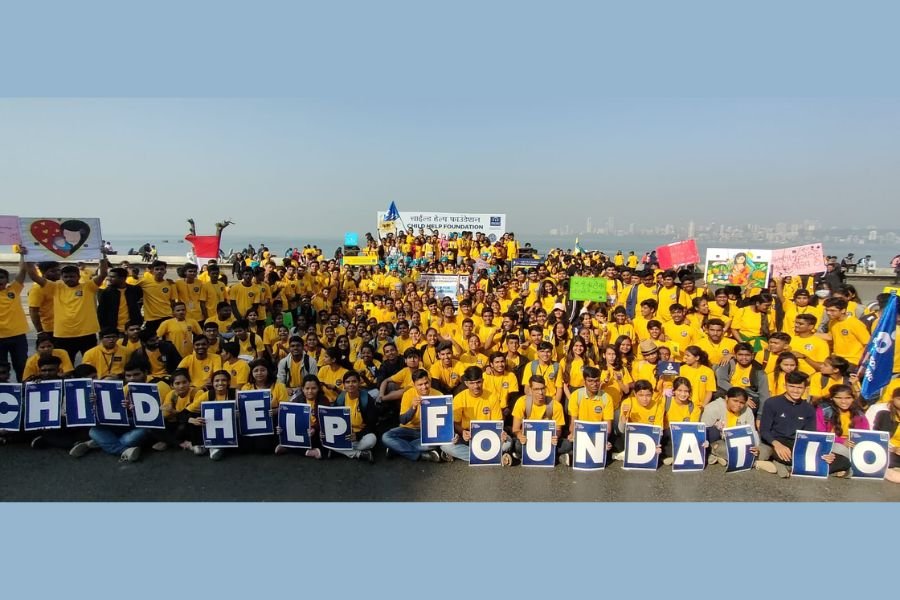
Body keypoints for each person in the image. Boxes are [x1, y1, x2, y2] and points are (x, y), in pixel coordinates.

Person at [756, 371, 842, 478]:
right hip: (774, 442)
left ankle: (782, 465)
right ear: (785, 386)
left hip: (796, 444)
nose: (795, 391)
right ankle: (781, 463)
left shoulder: (809, 408)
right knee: (763, 453)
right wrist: (777, 445)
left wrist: (823, 452)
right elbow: (764, 430)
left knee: (842, 461)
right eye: (791, 386)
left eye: (799, 387)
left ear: (805, 388)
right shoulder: (772, 403)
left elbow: (810, 435)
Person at [28, 255, 108, 362]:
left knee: (91, 363)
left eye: (72, 276)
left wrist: (102, 256)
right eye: (65, 277)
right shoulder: (55, 287)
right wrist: (26, 256)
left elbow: (103, 274)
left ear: (78, 277)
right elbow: (34, 276)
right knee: (65, 365)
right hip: (63, 335)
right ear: (62, 277)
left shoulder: (88, 287)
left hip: (87, 333)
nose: (69, 279)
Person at [440, 366, 512, 464]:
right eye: (472, 383)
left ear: (483, 381)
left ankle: (478, 455)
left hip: (488, 434)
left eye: (478, 382)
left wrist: (501, 432)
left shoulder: (492, 396)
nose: (476, 386)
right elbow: (456, 423)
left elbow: (498, 421)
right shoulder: (459, 398)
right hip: (468, 436)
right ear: (466, 383)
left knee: (508, 442)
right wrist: (463, 432)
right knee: (445, 446)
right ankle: (494, 456)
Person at [381, 369, 446, 462]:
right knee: (386, 437)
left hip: (428, 431)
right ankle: (422, 455)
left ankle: (397, 449)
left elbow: (444, 422)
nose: (424, 387)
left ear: (430, 381)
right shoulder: (408, 394)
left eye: (426, 383)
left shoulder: (439, 395)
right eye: (420, 384)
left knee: (436, 442)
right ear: (414, 384)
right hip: (408, 429)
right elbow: (403, 420)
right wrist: (413, 407)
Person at [561, 365, 614, 466]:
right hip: (580, 434)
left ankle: (572, 457)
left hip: (597, 435)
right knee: (567, 444)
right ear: (584, 381)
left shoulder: (606, 398)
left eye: (597, 381)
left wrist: (603, 440)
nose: (594, 384)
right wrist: (573, 435)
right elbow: (573, 424)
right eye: (590, 381)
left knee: (609, 448)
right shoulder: (576, 395)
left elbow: (608, 428)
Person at [815, 384, 868, 478]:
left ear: (853, 398)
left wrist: (856, 442)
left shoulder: (859, 413)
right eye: (838, 398)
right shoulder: (824, 411)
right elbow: (820, 434)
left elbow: (865, 433)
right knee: (840, 451)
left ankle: (843, 469)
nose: (844, 401)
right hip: (831, 444)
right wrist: (842, 441)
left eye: (848, 398)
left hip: (852, 445)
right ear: (832, 398)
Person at [701, 387, 760, 467]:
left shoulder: (747, 411)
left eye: (742, 403)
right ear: (726, 398)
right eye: (735, 401)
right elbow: (704, 429)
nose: (738, 405)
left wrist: (755, 446)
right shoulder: (713, 407)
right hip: (718, 440)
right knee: (716, 437)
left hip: (738, 441)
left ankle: (721, 457)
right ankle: (754, 463)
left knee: (765, 451)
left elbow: (752, 431)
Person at [510, 375, 564, 463]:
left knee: (566, 445)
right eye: (536, 389)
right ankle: (557, 456)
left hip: (548, 440)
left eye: (542, 388)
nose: (540, 392)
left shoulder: (556, 405)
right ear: (530, 390)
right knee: (518, 445)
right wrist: (520, 436)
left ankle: (520, 455)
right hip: (528, 439)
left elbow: (558, 429)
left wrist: (555, 436)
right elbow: (515, 429)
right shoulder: (522, 402)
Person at [331, 370, 379, 462]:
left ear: (359, 383)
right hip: (345, 434)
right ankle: (360, 454)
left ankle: (340, 450)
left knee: (372, 440)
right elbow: (334, 419)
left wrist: (357, 435)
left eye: (354, 381)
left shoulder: (366, 398)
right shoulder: (340, 398)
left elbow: (372, 424)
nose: (351, 384)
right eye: (347, 382)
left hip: (362, 434)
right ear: (344, 385)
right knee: (325, 439)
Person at [612, 379, 664, 461]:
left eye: (648, 395)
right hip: (631, 436)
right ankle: (627, 450)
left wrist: (655, 444)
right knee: (617, 415)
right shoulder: (628, 402)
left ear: (652, 394)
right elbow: (621, 429)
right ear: (635, 394)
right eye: (641, 395)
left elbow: (659, 430)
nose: (645, 399)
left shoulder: (658, 406)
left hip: (648, 437)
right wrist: (624, 418)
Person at [97, 266, 143, 332]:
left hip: (132, 329)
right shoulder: (106, 292)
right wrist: (105, 329)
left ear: (122, 278)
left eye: (113, 277)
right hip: (112, 330)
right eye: (109, 276)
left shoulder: (134, 290)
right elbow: (101, 312)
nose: (109, 279)